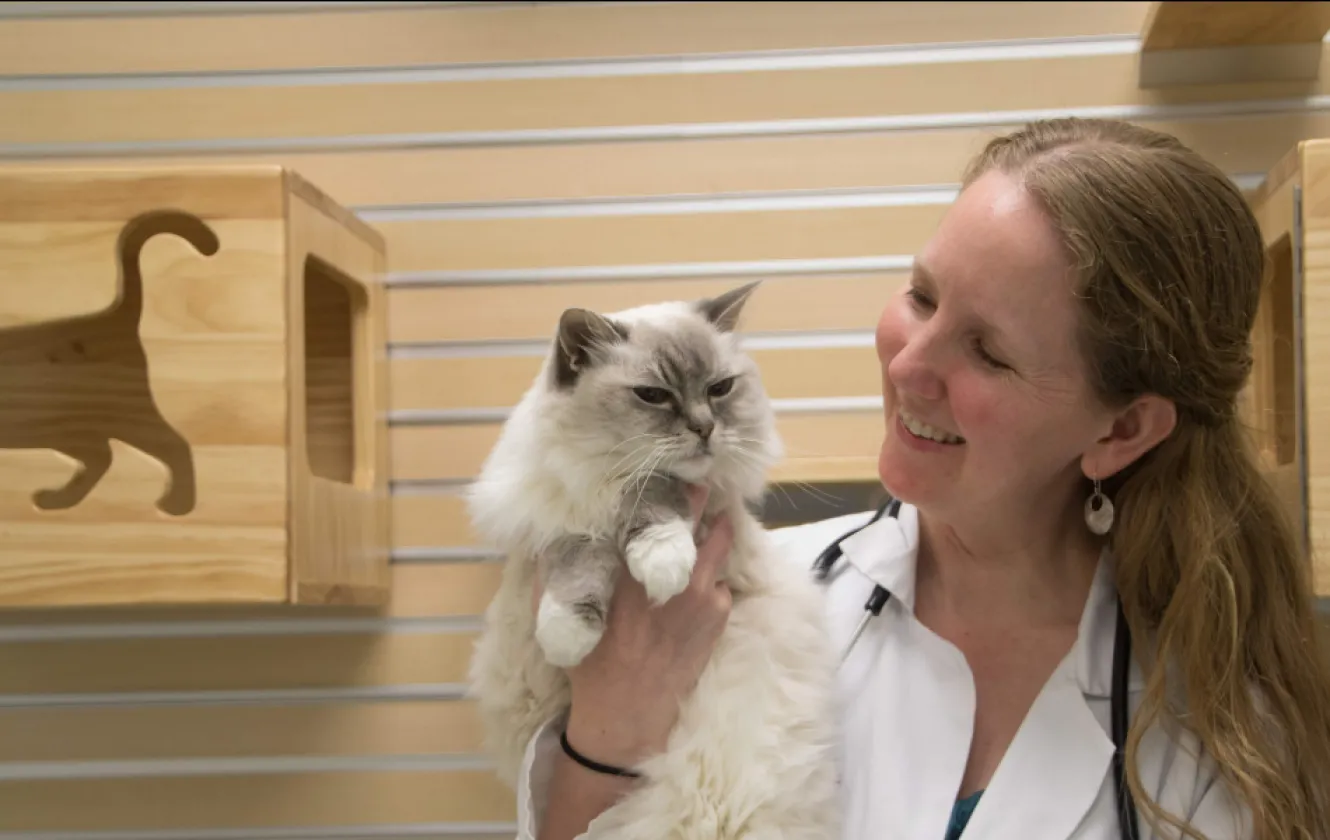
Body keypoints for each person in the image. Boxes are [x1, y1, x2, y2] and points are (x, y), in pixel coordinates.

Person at [513, 118, 1330, 839]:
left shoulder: (1224, 735)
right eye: (922, 295)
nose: (908, 363)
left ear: (1120, 430)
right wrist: (611, 725)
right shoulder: (709, 601)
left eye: (988, 351)